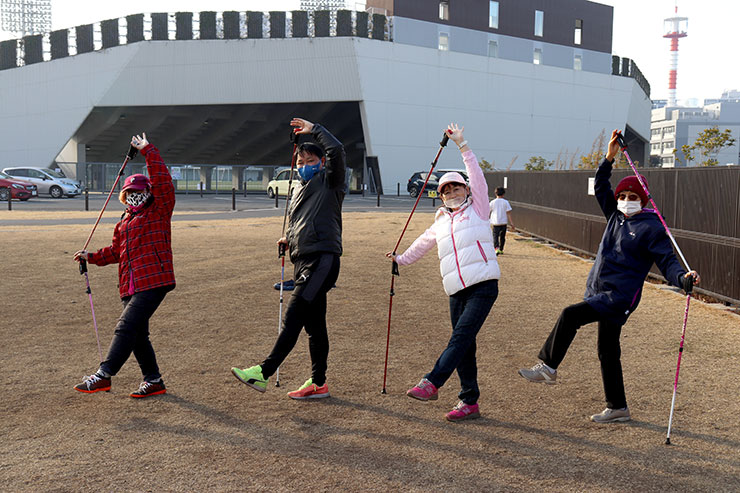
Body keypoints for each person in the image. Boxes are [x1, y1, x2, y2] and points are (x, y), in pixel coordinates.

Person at [518, 129, 700, 423]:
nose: (626, 200)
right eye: (623, 196)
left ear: (643, 200)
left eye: (633, 197)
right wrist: (609, 156)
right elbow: (601, 185)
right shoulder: (615, 215)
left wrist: (682, 279)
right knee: (607, 350)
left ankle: (548, 367)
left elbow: (668, 262)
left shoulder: (652, 227)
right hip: (598, 290)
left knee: (569, 315)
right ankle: (618, 407)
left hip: (619, 297)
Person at [387, 123, 500, 422]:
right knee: (465, 345)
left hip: (483, 285)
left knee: (460, 338)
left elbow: (477, 176)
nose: (451, 192)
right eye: (445, 190)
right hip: (455, 291)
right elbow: (421, 244)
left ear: (466, 190)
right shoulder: (440, 221)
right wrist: (400, 259)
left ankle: (432, 382)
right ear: (440, 197)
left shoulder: (478, 208)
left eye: (456, 187)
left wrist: (462, 145)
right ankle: (469, 401)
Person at [231, 118, 346, 400]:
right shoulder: (300, 190)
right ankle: (318, 383)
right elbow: (303, 222)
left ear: (321, 162)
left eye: (310, 160)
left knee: (294, 315)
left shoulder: (330, 182)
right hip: (304, 260)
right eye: (300, 161)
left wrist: (315, 130)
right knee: (315, 327)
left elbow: (337, 150)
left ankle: (263, 372)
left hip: (322, 260)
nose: (304, 165)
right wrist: (289, 239)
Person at [73, 133, 176, 398]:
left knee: (125, 327)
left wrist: (147, 150)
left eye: (139, 191)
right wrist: (90, 257)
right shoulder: (124, 222)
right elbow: (116, 252)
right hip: (129, 284)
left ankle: (104, 375)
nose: (134, 196)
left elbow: (163, 182)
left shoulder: (159, 210)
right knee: (138, 335)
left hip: (154, 280)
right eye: (129, 192)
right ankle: (154, 381)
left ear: (148, 192)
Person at [489, 187, 515, 255]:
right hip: (503, 222)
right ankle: (501, 248)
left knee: (495, 236)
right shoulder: (506, 202)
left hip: (495, 222)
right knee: (502, 236)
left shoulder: (492, 202)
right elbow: (508, 213)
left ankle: (496, 248)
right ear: (503, 194)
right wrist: (511, 223)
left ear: (495, 194)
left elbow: (488, 211)